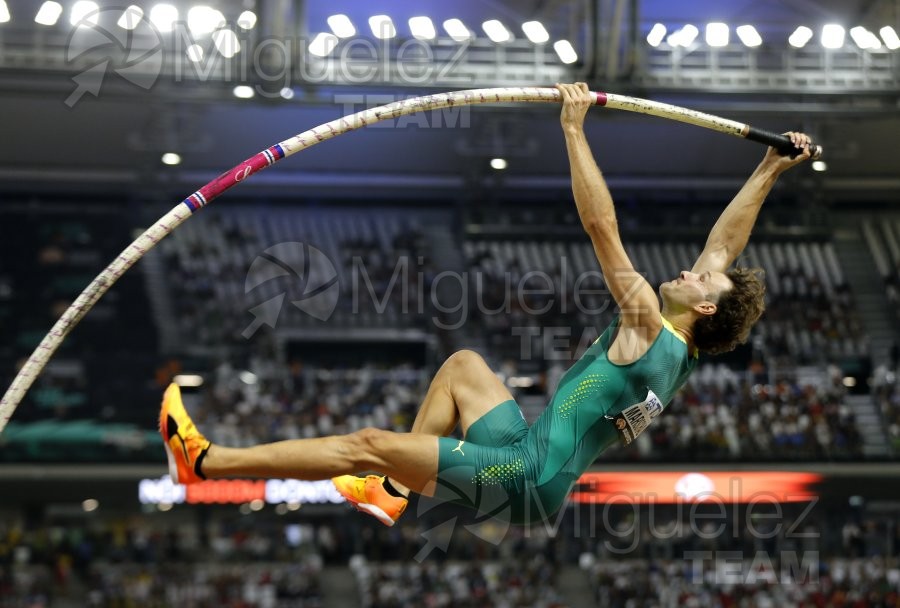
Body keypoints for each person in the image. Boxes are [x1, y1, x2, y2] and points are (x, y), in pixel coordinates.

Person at [159, 83, 813, 527]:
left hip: (520, 475)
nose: (692, 270)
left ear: (700, 310)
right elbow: (725, 248)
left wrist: (573, 127)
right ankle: (388, 492)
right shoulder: (680, 351)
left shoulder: (648, 320)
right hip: (534, 461)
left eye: (701, 281)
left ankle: (207, 463)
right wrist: (766, 171)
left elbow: (601, 228)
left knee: (366, 442)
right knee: (463, 366)